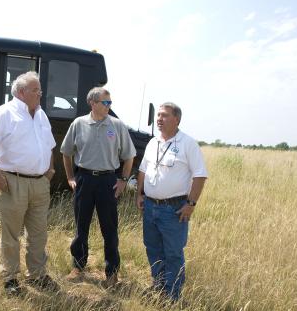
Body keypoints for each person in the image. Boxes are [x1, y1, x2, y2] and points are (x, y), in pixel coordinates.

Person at [0, 71, 58, 296]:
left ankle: (38, 274)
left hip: (39, 183)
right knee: (11, 233)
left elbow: (50, 146)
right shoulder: (4, 114)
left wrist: (49, 171)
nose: (40, 94)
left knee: (38, 232)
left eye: (40, 89)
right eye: (36, 90)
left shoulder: (41, 115)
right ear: (21, 92)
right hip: (13, 181)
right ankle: (10, 278)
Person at [60, 87, 136, 288]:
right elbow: (66, 153)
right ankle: (78, 266)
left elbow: (129, 156)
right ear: (92, 103)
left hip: (108, 181)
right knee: (80, 227)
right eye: (106, 102)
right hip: (84, 179)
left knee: (109, 229)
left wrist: (123, 180)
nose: (109, 106)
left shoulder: (117, 125)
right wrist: (70, 177)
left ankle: (111, 273)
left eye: (110, 102)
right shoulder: (79, 124)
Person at [136, 102, 207, 301]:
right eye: (158, 115)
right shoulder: (153, 143)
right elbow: (142, 170)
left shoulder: (187, 143)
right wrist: (139, 194)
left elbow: (200, 176)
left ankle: (172, 295)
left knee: (173, 253)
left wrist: (191, 204)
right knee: (152, 247)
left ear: (176, 119)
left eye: (164, 115)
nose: (159, 119)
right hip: (150, 207)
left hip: (174, 209)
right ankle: (158, 287)